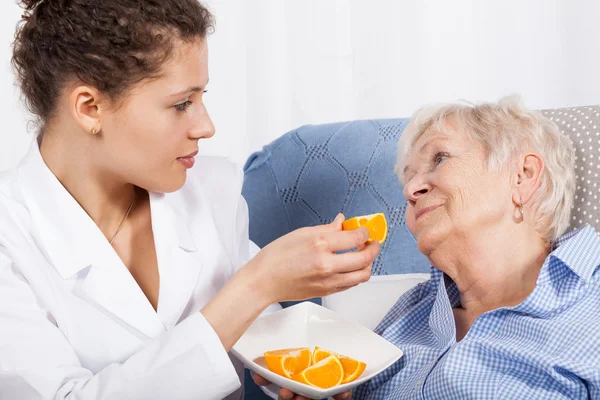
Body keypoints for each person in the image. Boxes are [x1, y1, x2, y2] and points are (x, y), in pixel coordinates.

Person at [0, 1, 379, 399]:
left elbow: (262, 341)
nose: (206, 126)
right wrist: (257, 285)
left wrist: (305, 375)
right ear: (90, 108)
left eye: (202, 97)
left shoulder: (211, 190)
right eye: (182, 104)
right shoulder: (10, 237)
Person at [352, 97, 600, 399]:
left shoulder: (590, 305)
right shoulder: (408, 314)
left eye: (440, 158)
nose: (410, 190)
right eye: (408, 178)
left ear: (522, 176)